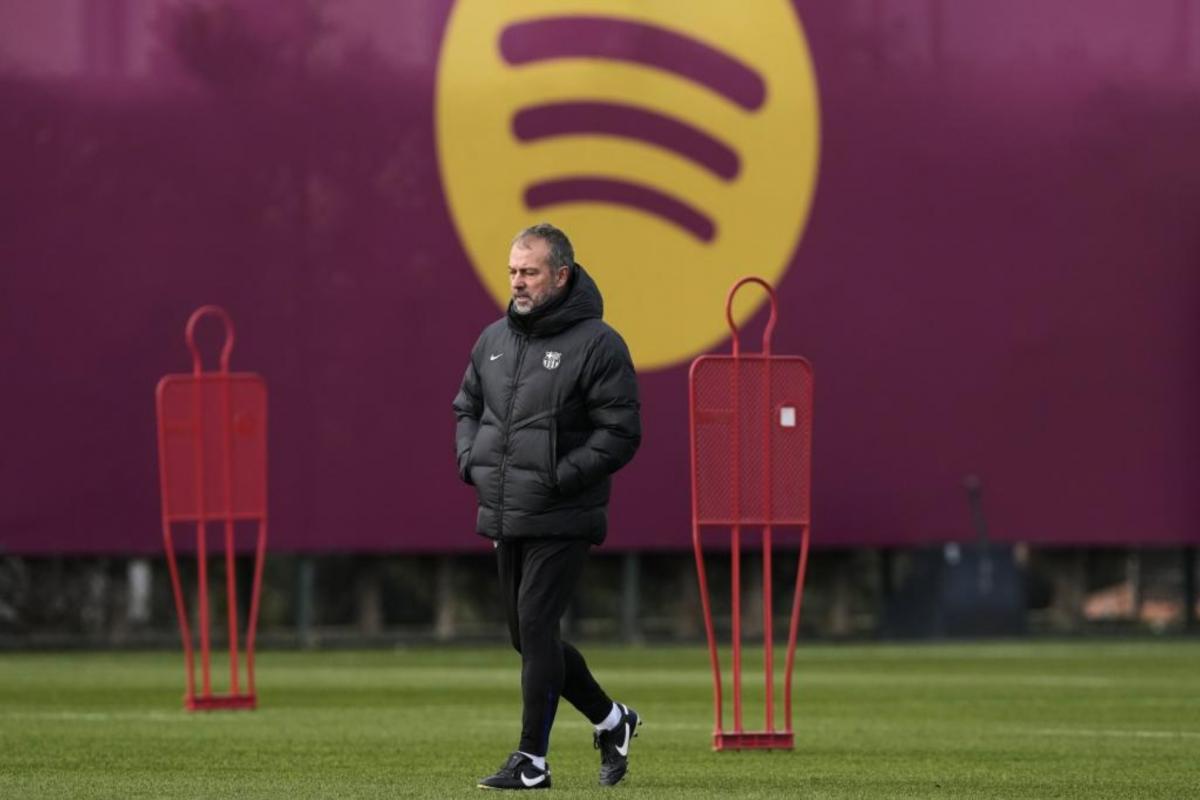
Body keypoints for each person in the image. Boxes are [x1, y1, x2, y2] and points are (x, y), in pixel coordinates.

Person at [453, 223, 642, 790]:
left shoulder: (599, 343)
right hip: (507, 509)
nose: (517, 281)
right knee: (527, 638)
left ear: (561, 275)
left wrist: (562, 476)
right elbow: (466, 406)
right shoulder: (492, 340)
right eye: (513, 270)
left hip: (563, 512)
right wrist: (471, 461)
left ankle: (531, 760)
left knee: (535, 627)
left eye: (529, 271)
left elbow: (621, 431)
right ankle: (613, 720)